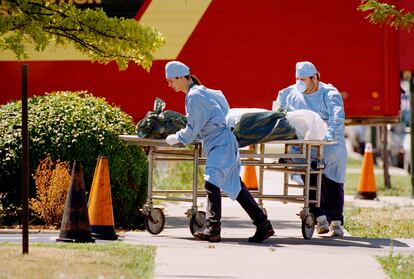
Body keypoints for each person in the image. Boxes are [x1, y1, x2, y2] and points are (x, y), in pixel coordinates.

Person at [164, 61, 274, 243]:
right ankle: (263, 225)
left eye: (171, 80)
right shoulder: (202, 91)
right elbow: (221, 109)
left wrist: (178, 137)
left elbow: (192, 127)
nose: (170, 85)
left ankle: (213, 228)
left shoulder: (195, 96)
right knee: (235, 187)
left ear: (182, 77)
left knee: (211, 181)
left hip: (220, 144)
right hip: (222, 142)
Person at [275, 61, 347, 237]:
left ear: (315, 78)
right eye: (297, 79)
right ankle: (320, 217)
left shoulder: (329, 94)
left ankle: (336, 222)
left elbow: (337, 117)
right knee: (311, 178)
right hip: (305, 145)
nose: (300, 83)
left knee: (332, 182)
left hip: (329, 145)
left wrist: (329, 134)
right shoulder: (289, 94)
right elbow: (279, 113)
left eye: (304, 79)